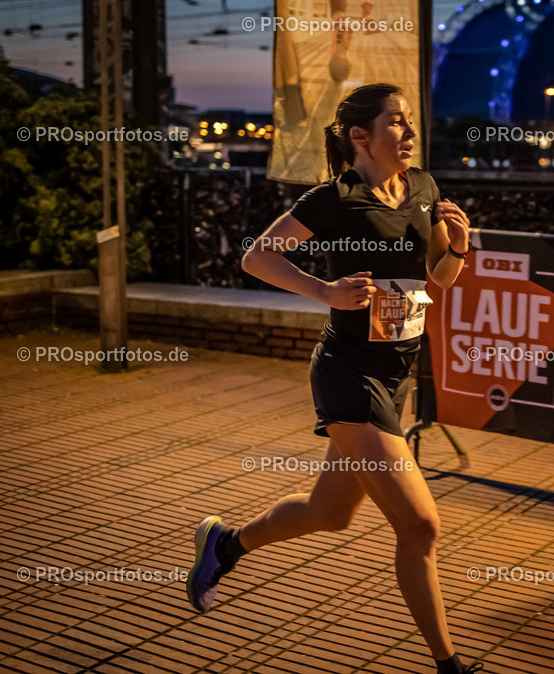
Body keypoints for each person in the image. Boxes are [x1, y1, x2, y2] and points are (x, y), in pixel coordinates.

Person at [186, 83, 484, 674]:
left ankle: (224, 545)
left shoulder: (424, 188)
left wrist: (459, 248)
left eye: (409, 121)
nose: (409, 132)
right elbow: (257, 256)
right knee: (421, 525)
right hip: (349, 376)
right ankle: (450, 666)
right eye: (395, 123)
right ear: (360, 137)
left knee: (330, 513)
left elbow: (439, 282)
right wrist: (324, 291)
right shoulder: (336, 199)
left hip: (400, 373)